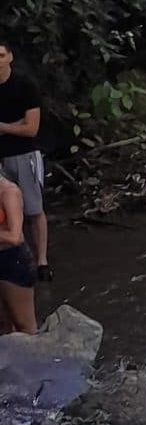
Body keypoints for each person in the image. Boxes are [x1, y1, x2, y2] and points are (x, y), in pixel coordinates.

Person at [0, 37, 48, 282]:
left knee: (33, 209)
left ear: (10, 57)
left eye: (0, 56)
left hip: (24, 154)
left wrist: (5, 127)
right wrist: (14, 124)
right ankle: (16, 257)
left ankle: (42, 261)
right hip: (1, 158)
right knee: (6, 214)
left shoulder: (24, 85)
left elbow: (32, 128)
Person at [0, 171, 36, 333]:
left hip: (13, 259)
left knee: (24, 324)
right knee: (3, 323)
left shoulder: (9, 192)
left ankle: (36, 356)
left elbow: (15, 236)